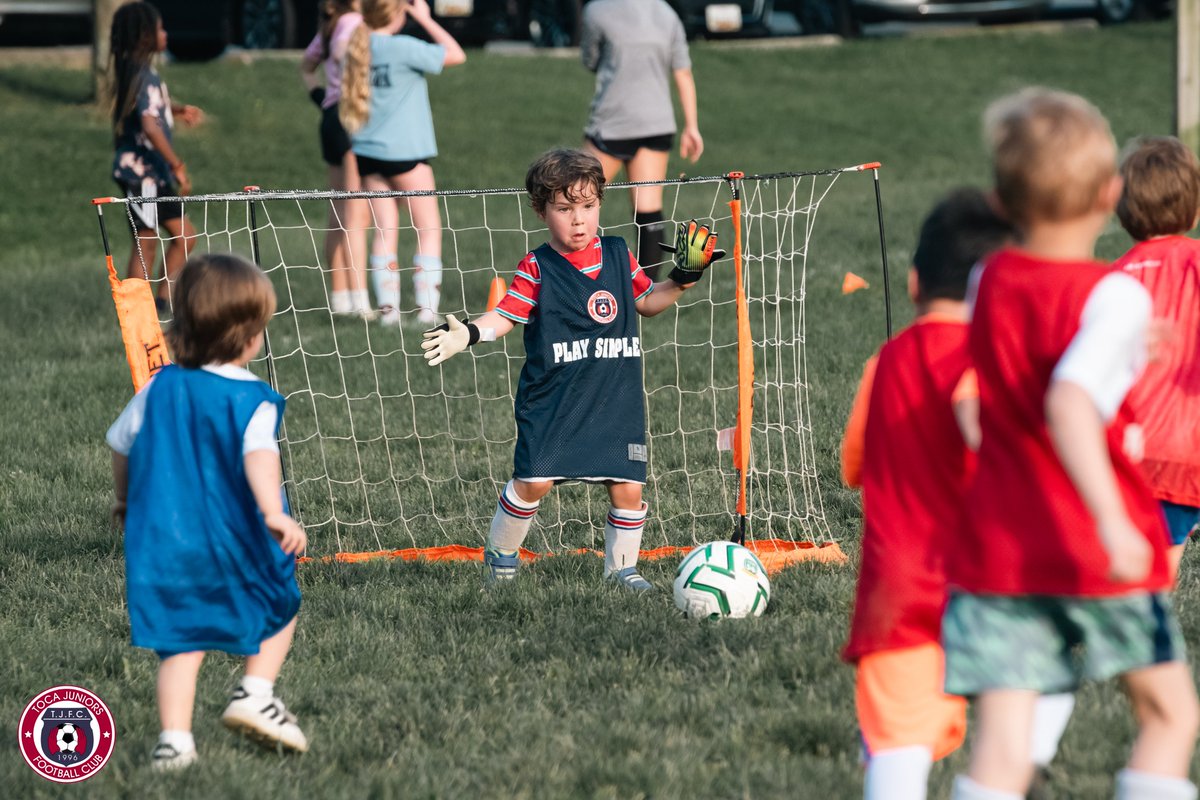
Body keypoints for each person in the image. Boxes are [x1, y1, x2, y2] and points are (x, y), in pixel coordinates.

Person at [943, 88, 1199, 800]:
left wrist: (1119, 343)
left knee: (1001, 747)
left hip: (1001, 549)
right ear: (1108, 195)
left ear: (1001, 200)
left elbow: (1039, 347)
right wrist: (1115, 521)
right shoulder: (1113, 296)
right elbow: (1068, 398)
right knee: (1168, 714)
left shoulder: (985, 277)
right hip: (1091, 544)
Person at [841, 188, 1073, 800]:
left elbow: (854, 466)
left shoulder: (884, 364)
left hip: (899, 596)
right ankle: (1034, 756)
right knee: (1014, 732)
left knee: (897, 751)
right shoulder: (1002, 364)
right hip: (992, 590)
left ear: (915, 282)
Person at [421, 149, 723, 589]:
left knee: (627, 487)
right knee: (533, 483)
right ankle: (502, 557)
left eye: (588, 206)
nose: (578, 220)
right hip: (554, 401)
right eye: (564, 209)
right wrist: (468, 333)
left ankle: (622, 570)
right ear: (542, 211)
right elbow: (506, 315)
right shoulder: (537, 266)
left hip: (614, 397)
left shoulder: (619, 255)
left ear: (601, 203)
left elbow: (647, 302)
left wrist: (681, 278)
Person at [108, 254, 308, 770]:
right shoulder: (252, 399)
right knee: (279, 605)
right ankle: (255, 692)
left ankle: (174, 743)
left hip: (170, 544)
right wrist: (274, 514)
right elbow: (260, 458)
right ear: (249, 338)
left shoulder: (159, 387)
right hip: (238, 537)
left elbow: (120, 443)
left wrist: (124, 500)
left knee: (182, 642)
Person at [340, 0, 465, 326]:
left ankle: (389, 313)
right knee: (428, 228)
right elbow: (455, 54)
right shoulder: (404, 47)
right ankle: (426, 311)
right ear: (397, 13)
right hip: (406, 155)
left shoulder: (358, 46)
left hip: (368, 154)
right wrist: (424, 19)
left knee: (384, 230)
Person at [1113, 136, 1200, 579]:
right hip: (1184, 453)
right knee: (1156, 579)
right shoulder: (1198, 263)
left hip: (1119, 452)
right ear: (1195, 208)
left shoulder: (1109, 280)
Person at [580, 0, 703, 281]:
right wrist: (692, 127)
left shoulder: (596, 11)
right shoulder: (667, 13)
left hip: (612, 124)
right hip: (656, 124)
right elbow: (683, 72)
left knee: (577, 203)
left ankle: (575, 284)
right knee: (648, 212)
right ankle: (643, 294)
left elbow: (590, 59)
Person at [109, 1, 202, 307]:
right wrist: (177, 163)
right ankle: (136, 310)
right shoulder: (142, 75)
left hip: (151, 172)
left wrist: (176, 109)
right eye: (160, 28)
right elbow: (149, 126)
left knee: (185, 236)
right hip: (142, 173)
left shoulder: (138, 73)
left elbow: (148, 109)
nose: (166, 33)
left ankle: (162, 304)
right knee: (146, 241)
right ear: (146, 36)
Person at [301, 0, 377, 319]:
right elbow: (347, 53)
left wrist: (320, 97)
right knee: (356, 215)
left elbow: (306, 66)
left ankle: (340, 297)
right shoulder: (355, 23)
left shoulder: (330, 26)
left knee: (338, 213)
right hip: (349, 118)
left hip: (330, 119)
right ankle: (360, 301)